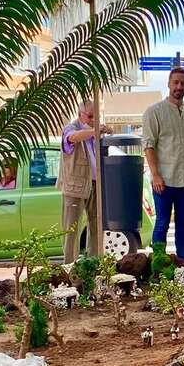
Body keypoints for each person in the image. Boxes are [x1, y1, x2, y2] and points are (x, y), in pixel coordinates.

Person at [143, 67, 184, 261]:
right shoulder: (154, 112)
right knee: (162, 223)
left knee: (183, 224)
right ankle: (158, 261)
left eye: (183, 83)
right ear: (168, 84)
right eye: (176, 82)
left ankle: (183, 261)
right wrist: (155, 175)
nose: (179, 86)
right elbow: (148, 145)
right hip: (163, 180)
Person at [58, 101, 112, 264]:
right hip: (74, 188)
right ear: (80, 114)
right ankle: (69, 267)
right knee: (71, 230)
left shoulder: (95, 131)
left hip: (95, 185)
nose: (93, 119)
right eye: (90, 116)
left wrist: (104, 131)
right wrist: (94, 131)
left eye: (96, 116)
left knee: (96, 226)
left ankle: (92, 264)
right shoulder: (71, 128)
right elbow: (72, 137)